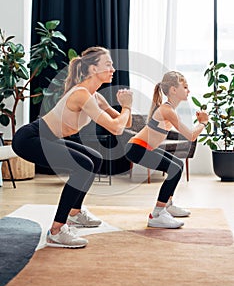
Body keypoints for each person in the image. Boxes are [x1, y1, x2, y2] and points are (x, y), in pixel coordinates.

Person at [12, 46, 132, 248]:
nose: (113, 69)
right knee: (83, 166)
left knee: (94, 158)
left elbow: (124, 124)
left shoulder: (96, 97)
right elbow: (117, 128)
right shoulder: (82, 95)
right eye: (108, 64)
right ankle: (56, 231)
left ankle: (74, 213)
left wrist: (124, 107)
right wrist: (127, 107)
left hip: (48, 138)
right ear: (93, 69)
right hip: (30, 138)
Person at [125, 71, 208, 229]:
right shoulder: (167, 110)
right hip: (136, 148)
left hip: (143, 147)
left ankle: (167, 204)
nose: (188, 90)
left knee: (178, 164)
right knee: (174, 169)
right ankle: (157, 214)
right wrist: (203, 123)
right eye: (185, 87)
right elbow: (191, 136)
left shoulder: (170, 109)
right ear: (173, 90)